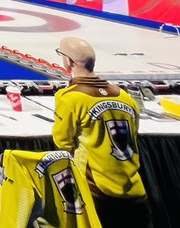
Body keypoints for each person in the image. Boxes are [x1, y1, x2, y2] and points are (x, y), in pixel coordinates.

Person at [53, 37, 149, 228]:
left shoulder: (69, 98)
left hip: (97, 190)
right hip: (134, 188)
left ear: (68, 61)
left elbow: (63, 142)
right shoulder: (124, 96)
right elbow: (134, 133)